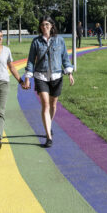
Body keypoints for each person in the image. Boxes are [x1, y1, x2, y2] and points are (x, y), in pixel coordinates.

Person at [23, 16, 74, 148]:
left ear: (51, 25)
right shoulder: (36, 42)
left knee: (53, 105)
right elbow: (30, 60)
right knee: (45, 105)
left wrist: (69, 72)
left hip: (56, 76)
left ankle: (49, 124)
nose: (44, 27)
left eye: (46, 24)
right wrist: (28, 77)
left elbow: (64, 58)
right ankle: (48, 136)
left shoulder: (60, 40)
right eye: (42, 25)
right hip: (41, 76)